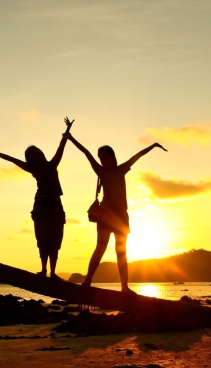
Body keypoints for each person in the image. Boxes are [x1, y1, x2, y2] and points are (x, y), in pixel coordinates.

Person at [64, 118, 166, 294]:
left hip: (121, 216)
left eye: (107, 156)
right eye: (101, 158)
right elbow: (86, 153)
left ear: (113, 156)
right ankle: (87, 281)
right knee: (100, 248)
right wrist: (70, 137)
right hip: (105, 214)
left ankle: (124, 287)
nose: (104, 160)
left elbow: (138, 156)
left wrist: (154, 145)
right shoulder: (100, 171)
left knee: (121, 252)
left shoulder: (122, 169)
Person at [0, 120, 73, 278]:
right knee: (43, 237)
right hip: (42, 205)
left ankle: (52, 272)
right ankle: (44, 270)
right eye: (33, 155)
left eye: (37, 152)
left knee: (56, 237)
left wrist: (68, 129)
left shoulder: (52, 164)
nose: (37, 156)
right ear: (31, 159)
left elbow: (61, 147)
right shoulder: (32, 168)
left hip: (55, 204)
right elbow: (12, 159)